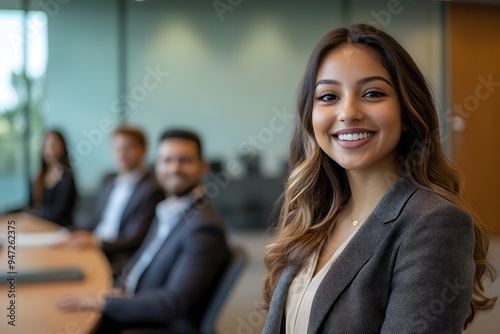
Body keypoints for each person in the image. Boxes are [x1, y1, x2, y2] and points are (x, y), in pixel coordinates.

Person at [262, 23, 496, 334]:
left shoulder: (435, 224)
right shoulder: (315, 215)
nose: (348, 112)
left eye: (373, 93)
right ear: (310, 116)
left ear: (408, 111)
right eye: (328, 96)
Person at [57, 129, 231, 333]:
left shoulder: (204, 228)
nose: (174, 168)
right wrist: (119, 289)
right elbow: (141, 260)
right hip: (136, 300)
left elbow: (172, 302)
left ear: (203, 168)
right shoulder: (167, 210)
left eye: (184, 160)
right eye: (166, 160)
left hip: (159, 323)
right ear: (157, 166)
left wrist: (105, 303)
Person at [62, 126, 164, 269]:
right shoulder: (108, 180)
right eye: (117, 148)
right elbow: (96, 222)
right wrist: (69, 233)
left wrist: (95, 241)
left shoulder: (152, 190)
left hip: (115, 256)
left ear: (143, 150)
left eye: (128, 148)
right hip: (92, 247)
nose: (121, 154)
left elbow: (134, 239)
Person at [28, 130, 77, 227]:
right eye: (46, 146)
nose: (50, 149)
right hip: (38, 226)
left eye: (54, 145)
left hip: (60, 228)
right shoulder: (38, 178)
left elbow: (58, 214)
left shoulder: (66, 178)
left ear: (62, 147)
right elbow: (30, 206)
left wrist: (33, 214)